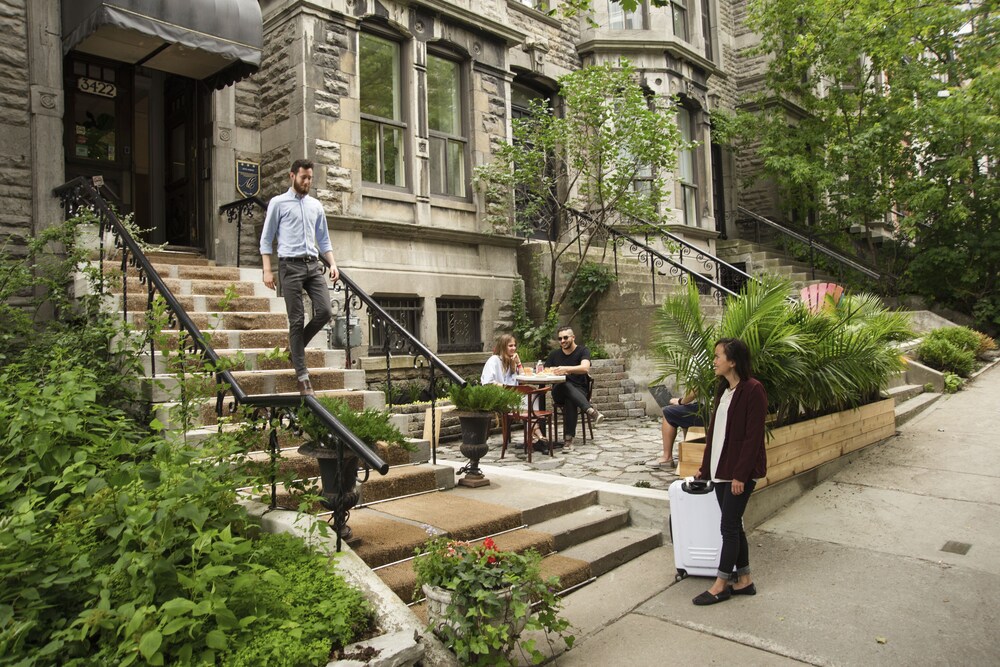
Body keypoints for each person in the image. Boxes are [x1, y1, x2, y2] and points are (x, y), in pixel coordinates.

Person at [692, 337, 767, 606]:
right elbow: (716, 434)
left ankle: (721, 585)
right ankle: (744, 580)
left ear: (733, 361)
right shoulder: (724, 390)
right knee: (734, 525)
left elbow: (753, 438)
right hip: (720, 470)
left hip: (738, 473)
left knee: (728, 527)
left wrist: (740, 475)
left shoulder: (753, 389)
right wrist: (705, 469)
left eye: (718, 356)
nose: (714, 361)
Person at [259, 159, 339, 396]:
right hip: (290, 267)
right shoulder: (278, 203)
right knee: (296, 320)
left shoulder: (316, 206)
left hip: (313, 266)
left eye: (310, 178)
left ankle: (295, 349)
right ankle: (302, 377)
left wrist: (333, 264)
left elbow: (323, 239)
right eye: (304, 177)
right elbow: (266, 239)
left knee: (325, 311)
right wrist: (267, 270)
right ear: (292, 176)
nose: (307, 182)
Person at [544, 326, 604, 452]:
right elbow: (546, 371)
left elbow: (585, 368)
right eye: (560, 338)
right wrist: (555, 371)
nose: (562, 341)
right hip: (559, 391)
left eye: (565, 337)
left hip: (579, 390)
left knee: (570, 399)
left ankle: (568, 440)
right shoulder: (554, 355)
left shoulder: (583, 351)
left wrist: (566, 369)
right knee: (564, 384)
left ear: (573, 337)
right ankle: (590, 410)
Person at [481, 334, 546, 447]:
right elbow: (488, 383)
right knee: (528, 398)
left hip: (512, 394)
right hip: (498, 396)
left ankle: (534, 435)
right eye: (510, 346)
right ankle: (537, 434)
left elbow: (522, 380)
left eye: (514, 345)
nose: (514, 348)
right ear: (503, 346)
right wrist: (507, 388)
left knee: (533, 395)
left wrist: (518, 363)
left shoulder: (511, 361)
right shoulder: (494, 360)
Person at [647, 389, 704, 469]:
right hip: (708, 410)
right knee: (682, 411)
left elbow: (695, 391)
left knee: (668, 412)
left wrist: (680, 401)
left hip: (705, 412)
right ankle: (685, 452)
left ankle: (667, 457)